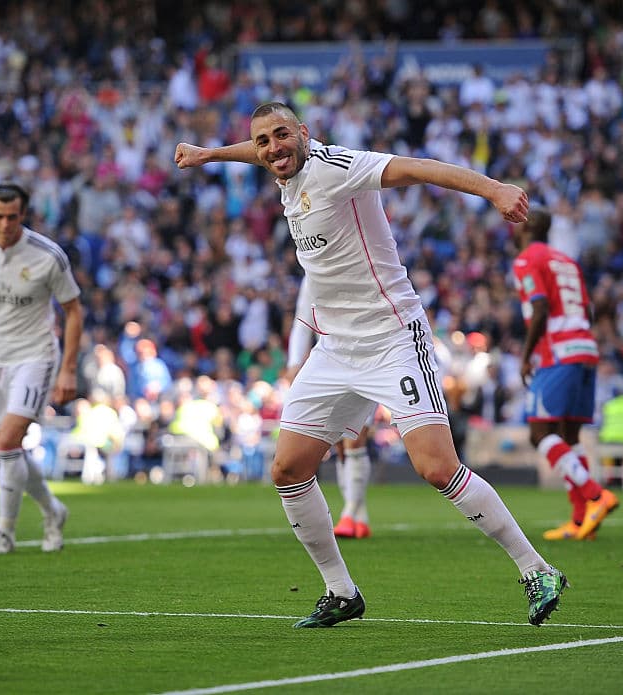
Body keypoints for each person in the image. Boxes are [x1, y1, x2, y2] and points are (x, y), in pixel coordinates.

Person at [176, 102, 567, 627]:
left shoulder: (339, 167)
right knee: (289, 468)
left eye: (282, 136)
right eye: (264, 141)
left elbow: (416, 167)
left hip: (391, 339)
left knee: (437, 468)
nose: (272, 149)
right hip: (336, 347)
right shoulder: (281, 168)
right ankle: (341, 592)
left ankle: (535, 568)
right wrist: (210, 155)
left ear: (305, 134)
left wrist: (494, 189)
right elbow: (258, 155)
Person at [0, 183, 82, 555]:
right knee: (5, 447)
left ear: (23, 216)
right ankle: (52, 510)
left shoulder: (48, 256)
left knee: (8, 441)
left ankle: (4, 533)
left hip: (36, 355)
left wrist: (68, 369)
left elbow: (73, 311)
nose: (5, 224)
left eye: (13, 217)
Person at [511, 209, 619, 540]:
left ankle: (596, 495)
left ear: (527, 227)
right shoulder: (567, 261)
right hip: (585, 349)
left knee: (540, 433)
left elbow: (540, 307)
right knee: (569, 437)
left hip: (557, 352)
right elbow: (587, 309)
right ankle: (580, 520)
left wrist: (527, 356)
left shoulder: (527, 260)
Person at [286, 277, 375, 540]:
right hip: (329, 364)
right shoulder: (312, 275)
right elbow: (303, 322)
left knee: (356, 437)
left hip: (367, 360)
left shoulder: (360, 269)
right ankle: (359, 513)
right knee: (337, 441)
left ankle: (349, 512)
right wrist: (294, 363)